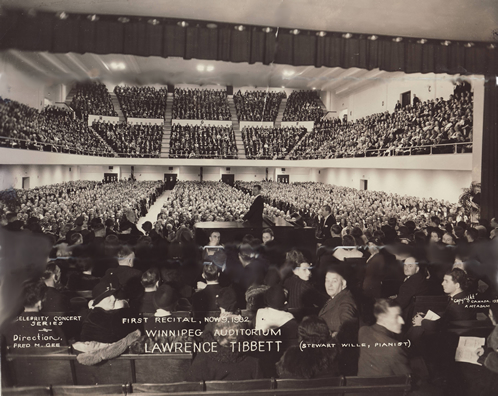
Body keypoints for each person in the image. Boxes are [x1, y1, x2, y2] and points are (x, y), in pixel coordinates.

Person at [358, 299, 411, 376]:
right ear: (382, 318)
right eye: (396, 317)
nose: (402, 321)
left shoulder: (363, 331)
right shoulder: (395, 349)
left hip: (362, 385)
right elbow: (409, 379)